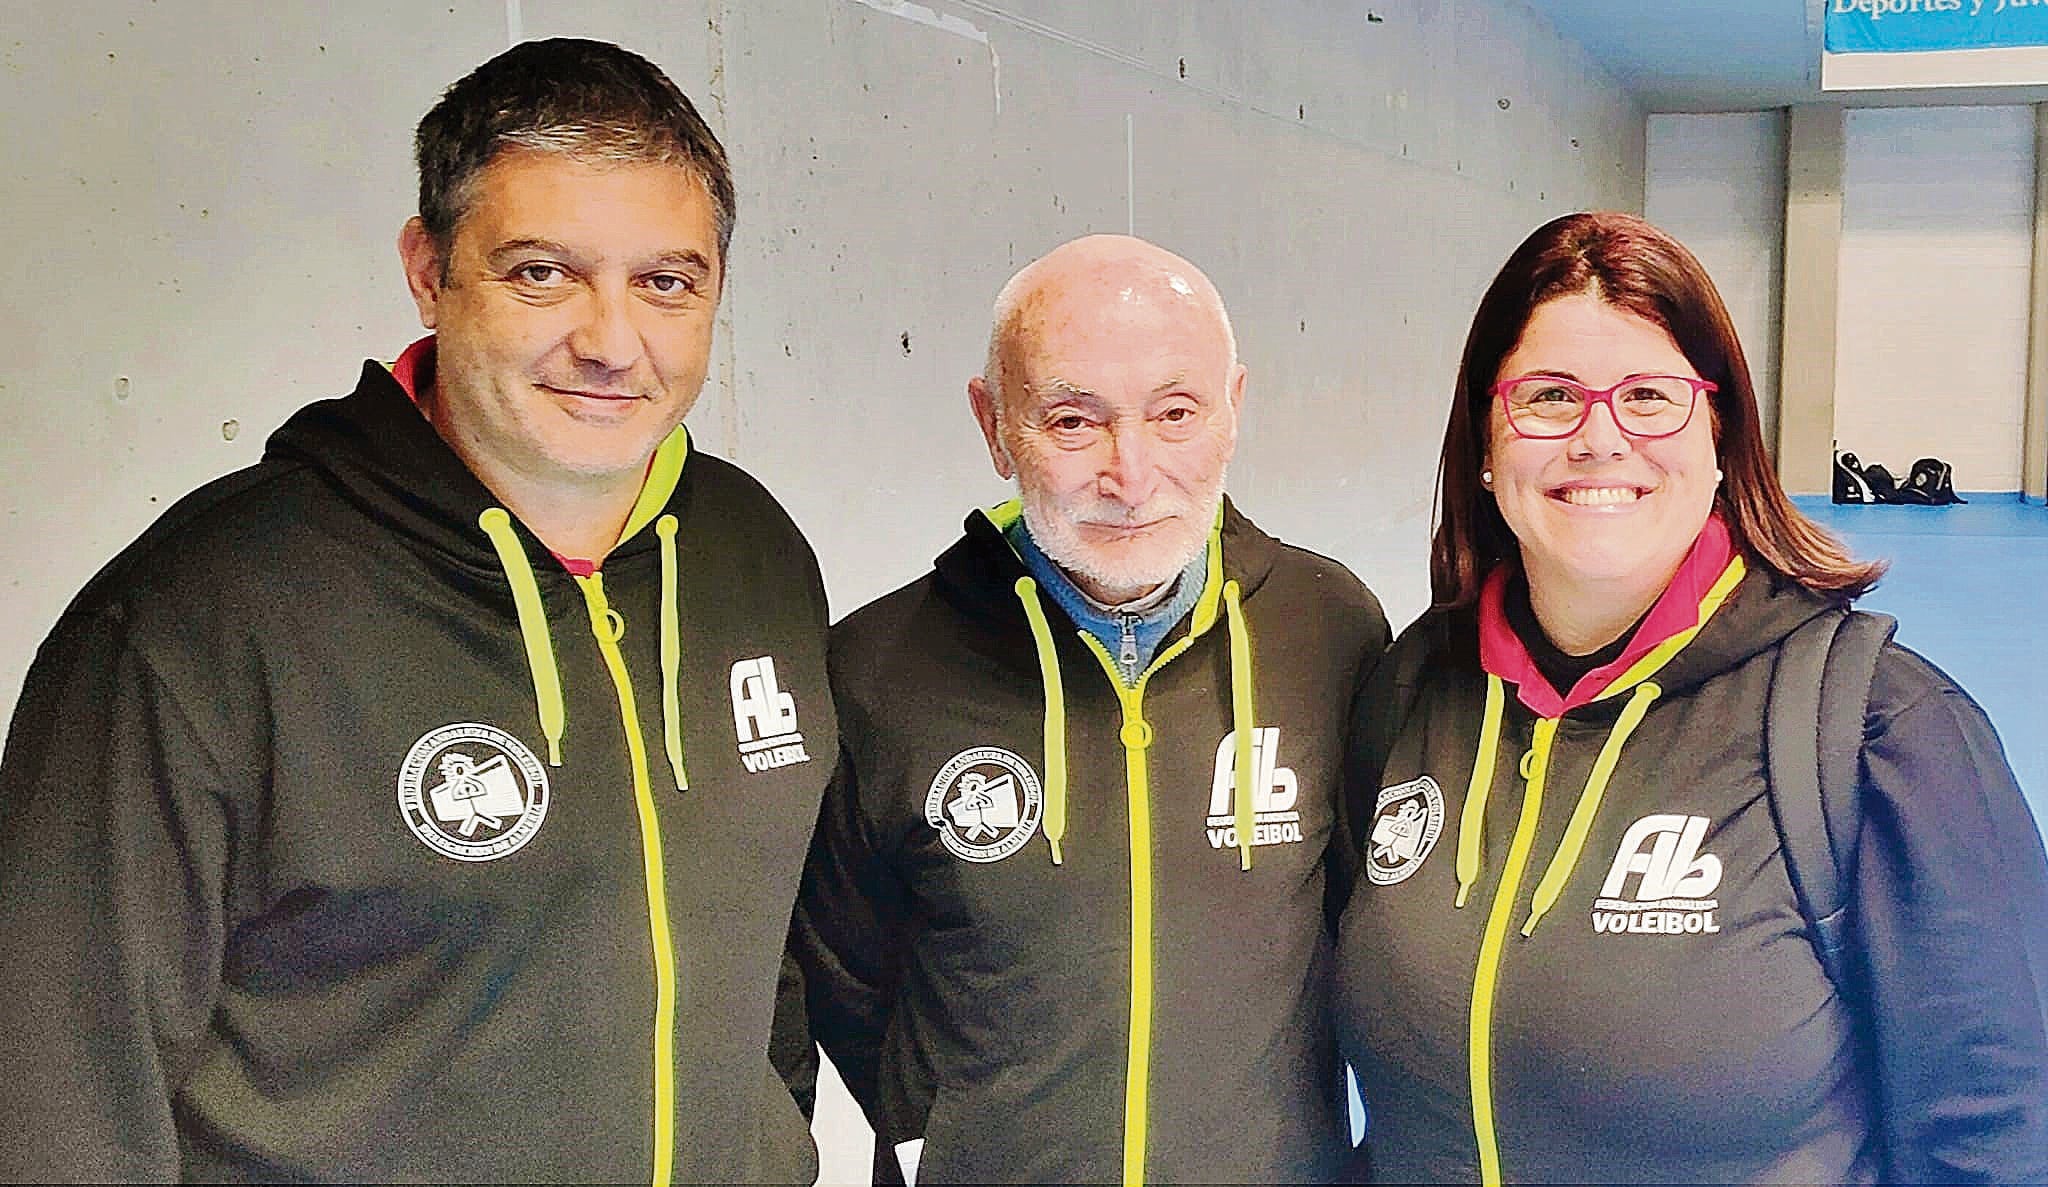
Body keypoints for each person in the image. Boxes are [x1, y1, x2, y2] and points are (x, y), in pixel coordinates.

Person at [0, 39, 834, 1183]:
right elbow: (58, 1084)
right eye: (542, 272)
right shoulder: (196, 616)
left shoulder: (755, 556)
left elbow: (761, 958)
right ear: (428, 268)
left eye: (665, 282)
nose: (608, 341)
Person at [1335, 210, 2048, 1184]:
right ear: (1484, 441)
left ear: (1717, 432)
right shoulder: (1410, 692)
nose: (1598, 437)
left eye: (1649, 395)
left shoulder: (1883, 732)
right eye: (1547, 396)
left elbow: (1994, 1139)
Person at [790, 234, 1389, 1184]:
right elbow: (841, 969)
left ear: (1233, 409)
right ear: (994, 426)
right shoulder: (876, 669)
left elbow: (1372, 929)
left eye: (1176, 413)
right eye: (1073, 421)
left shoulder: (1331, 630)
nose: (1132, 472)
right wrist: (949, 1134)